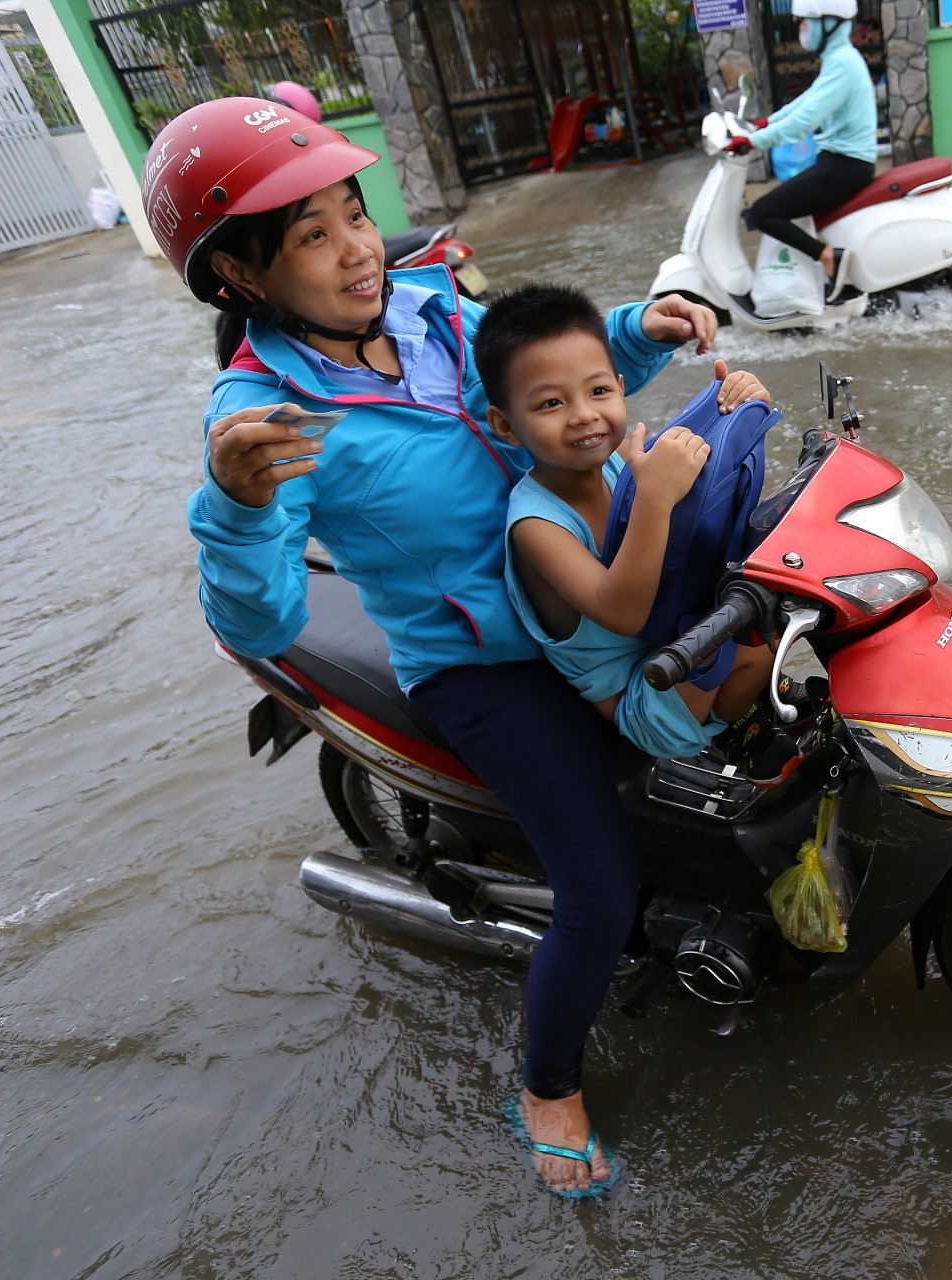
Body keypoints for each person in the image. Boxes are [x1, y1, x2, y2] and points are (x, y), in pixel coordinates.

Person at [150, 97, 728, 1197]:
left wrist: (631, 332)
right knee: (600, 887)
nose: (358, 247)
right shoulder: (266, 416)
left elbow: (525, 380)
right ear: (241, 276)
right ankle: (548, 1081)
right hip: (484, 662)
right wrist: (229, 502)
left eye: (352, 212)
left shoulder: (426, 304)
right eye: (311, 235)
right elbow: (258, 622)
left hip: (580, 561)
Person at [474, 284, 777, 762]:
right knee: (745, 648)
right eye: (551, 403)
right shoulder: (535, 524)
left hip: (672, 640)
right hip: (645, 696)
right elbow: (623, 612)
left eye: (598, 391)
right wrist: (655, 498)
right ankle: (732, 735)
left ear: (619, 385)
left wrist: (737, 405)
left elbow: (706, 489)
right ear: (506, 425)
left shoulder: (620, 462)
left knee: (780, 607)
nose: (583, 416)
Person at [728, 0, 877, 302]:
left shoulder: (843, 63)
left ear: (830, 23)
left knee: (763, 212)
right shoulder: (840, 59)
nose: (802, 29)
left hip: (843, 168)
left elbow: (805, 122)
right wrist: (767, 121)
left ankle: (826, 255)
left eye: (807, 22)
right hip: (841, 164)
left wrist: (754, 141)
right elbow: (807, 102)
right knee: (775, 206)